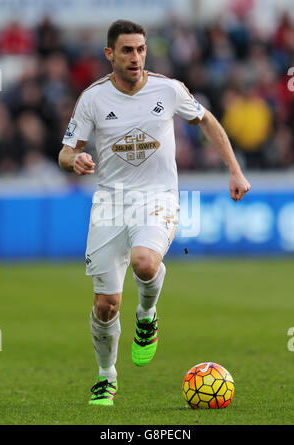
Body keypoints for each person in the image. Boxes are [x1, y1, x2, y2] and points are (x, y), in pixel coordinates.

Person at [58, 19, 251, 406]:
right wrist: (74, 159)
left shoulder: (168, 89)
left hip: (157, 197)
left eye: (141, 49)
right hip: (110, 203)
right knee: (105, 305)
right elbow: (65, 151)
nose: (136, 57)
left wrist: (234, 168)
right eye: (127, 50)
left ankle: (147, 315)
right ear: (109, 53)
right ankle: (106, 376)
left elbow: (207, 120)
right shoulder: (92, 98)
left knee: (145, 262)